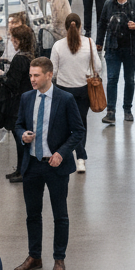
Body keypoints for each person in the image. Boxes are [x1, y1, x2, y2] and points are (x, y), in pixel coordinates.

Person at [12, 57, 85, 270]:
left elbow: (78, 131)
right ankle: (34, 256)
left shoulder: (65, 99)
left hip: (56, 166)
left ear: (49, 75)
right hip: (32, 164)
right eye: (30, 75)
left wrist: (61, 153)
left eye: (36, 75)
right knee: (32, 214)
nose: (32, 79)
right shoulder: (27, 98)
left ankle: (59, 259)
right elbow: (18, 124)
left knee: (60, 215)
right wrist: (22, 135)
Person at [51, 13, 101, 174]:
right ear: (80, 27)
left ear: (65, 28)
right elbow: (98, 67)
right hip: (83, 90)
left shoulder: (58, 46)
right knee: (80, 124)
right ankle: (81, 159)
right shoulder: (89, 42)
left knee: (65, 125)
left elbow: (53, 71)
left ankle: (63, 155)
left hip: (63, 90)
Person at [0, 26, 36, 183]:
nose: (12, 42)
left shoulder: (20, 59)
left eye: (14, 39)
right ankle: (21, 169)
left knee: (20, 139)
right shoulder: (29, 56)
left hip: (17, 105)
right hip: (26, 103)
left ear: (19, 40)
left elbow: (13, 83)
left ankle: (22, 171)